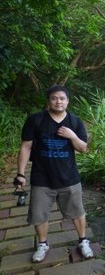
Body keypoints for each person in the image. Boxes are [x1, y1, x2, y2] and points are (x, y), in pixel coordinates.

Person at [15, 84, 93, 262]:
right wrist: (20, 174)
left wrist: (72, 136)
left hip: (69, 177)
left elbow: (83, 149)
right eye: (54, 98)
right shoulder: (35, 120)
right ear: (48, 101)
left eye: (62, 98)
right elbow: (26, 146)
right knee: (39, 213)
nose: (58, 101)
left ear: (67, 101)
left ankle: (83, 241)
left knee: (77, 211)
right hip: (42, 177)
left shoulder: (74, 121)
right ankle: (42, 244)